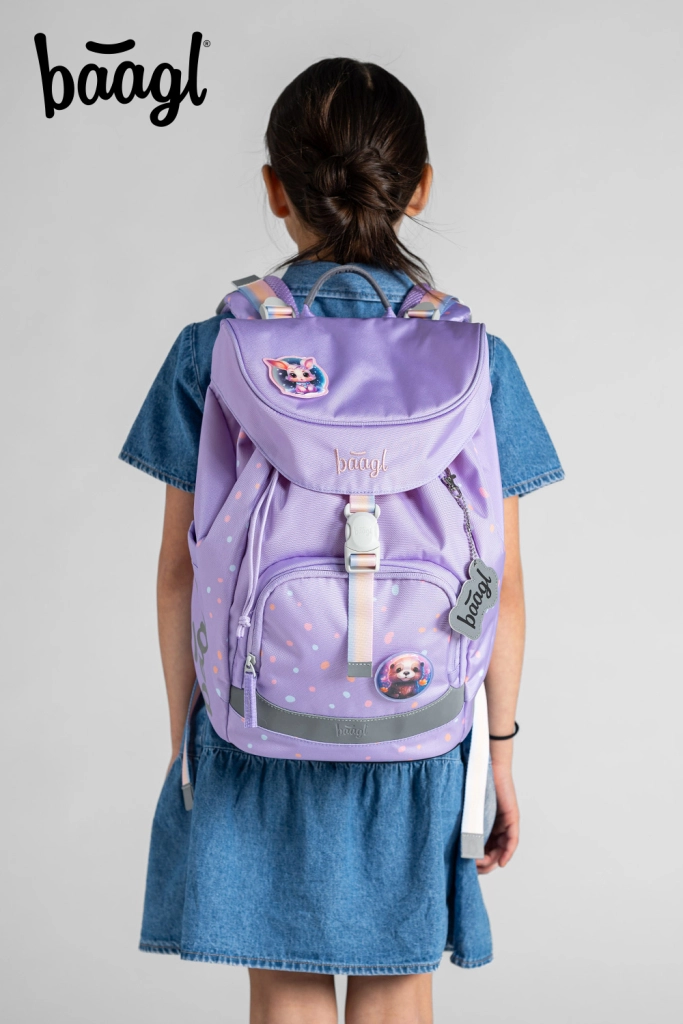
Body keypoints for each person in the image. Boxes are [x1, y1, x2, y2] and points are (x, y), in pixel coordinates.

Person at [120, 58, 564, 1024]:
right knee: (398, 993)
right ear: (418, 188)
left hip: (255, 721)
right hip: (417, 724)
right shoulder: (476, 361)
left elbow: (177, 573)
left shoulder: (216, 350)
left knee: (283, 994)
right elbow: (501, 583)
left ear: (274, 189)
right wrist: (497, 753)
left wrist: (190, 739)